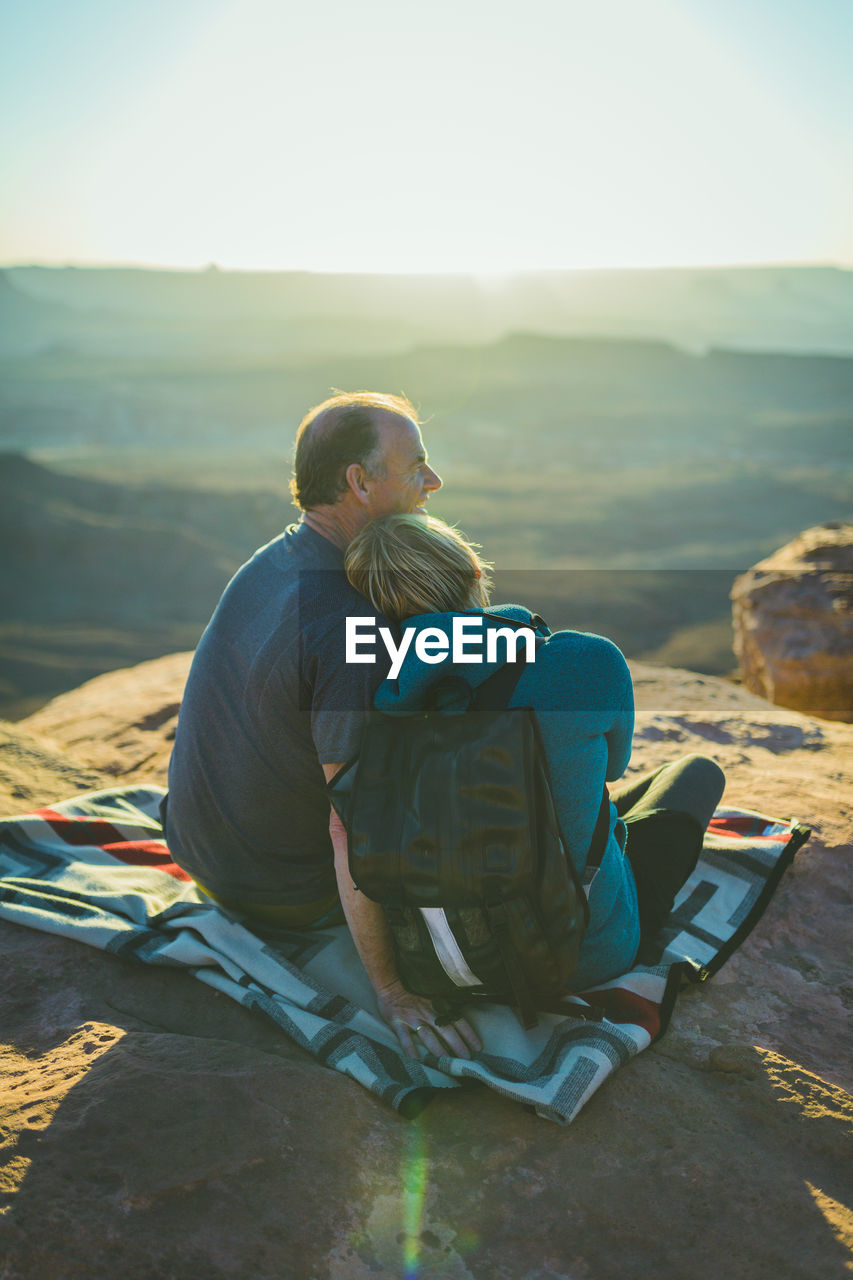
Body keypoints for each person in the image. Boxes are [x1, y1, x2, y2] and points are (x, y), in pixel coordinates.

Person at [162, 391, 481, 1060]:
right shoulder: (349, 622)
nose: (433, 482)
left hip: (198, 850)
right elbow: (351, 825)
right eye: (415, 465)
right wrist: (393, 991)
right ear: (358, 483)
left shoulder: (276, 558)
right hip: (279, 895)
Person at [341, 513, 726, 1023]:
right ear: (475, 572)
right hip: (584, 955)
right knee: (696, 773)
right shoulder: (587, 661)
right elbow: (614, 767)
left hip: (446, 962)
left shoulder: (370, 698)